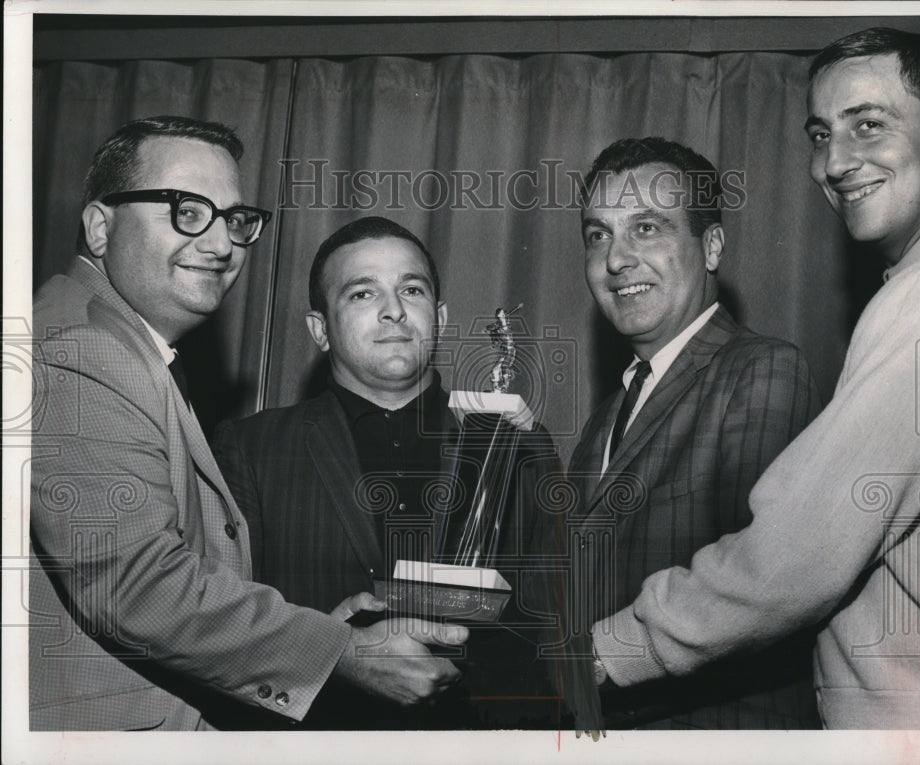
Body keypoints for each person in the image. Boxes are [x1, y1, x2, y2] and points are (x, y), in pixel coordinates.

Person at [590, 28, 920, 730]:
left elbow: (790, 559)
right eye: (821, 134)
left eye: (868, 125)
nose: (835, 161)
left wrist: (581, 657)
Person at [29, 117, 468, 731]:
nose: (219, 245)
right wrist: (339, 653)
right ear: (101, 227)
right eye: (186, 210)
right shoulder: (80, 349)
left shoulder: (121, 346)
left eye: (233, 220)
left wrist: (325, 633)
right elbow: (138, 585)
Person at [213, 216, 564, 729]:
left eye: (412, 289)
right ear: (319, 330)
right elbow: (220, 624)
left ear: (439, 317)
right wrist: (332, 656)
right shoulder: (248, 448)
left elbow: (557, 621)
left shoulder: (517, 440)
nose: (394, 311)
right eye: (361, 294)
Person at [569, 137, 822, 729]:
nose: (617, 259)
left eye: (648, 228)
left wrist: (587, 661)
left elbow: (758, 582)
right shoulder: (604, 419)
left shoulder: (761, 370)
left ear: (710, 247)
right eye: (598, 234)